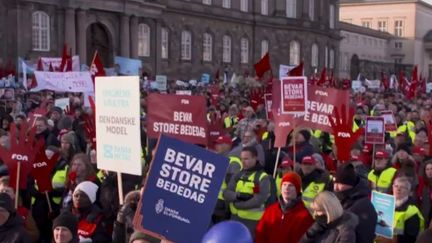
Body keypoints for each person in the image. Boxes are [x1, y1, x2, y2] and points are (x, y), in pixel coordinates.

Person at [223, 146, 271, 237]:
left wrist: (238, 205)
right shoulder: (238, 174)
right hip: (235, 218)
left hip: (252, 222)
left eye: (246, 159)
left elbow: (258, 200)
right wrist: (238, 195)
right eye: (241, 159)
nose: (243, 162)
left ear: (255, 158)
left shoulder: (262, 177)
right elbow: (226, 192)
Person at [255, 172, 314, 243]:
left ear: (297, 189)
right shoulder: (271, 210)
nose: (286, 188)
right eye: (284, 185)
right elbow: (260, 234)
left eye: (291, 185)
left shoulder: (304, 216)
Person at [334, 163, 377, 243]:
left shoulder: (363, 206)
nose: (336, 187)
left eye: (340, 183)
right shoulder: (340, 198)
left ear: (350, 184)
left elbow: (365, 237)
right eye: (335, 182)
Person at [213, 135, 242, 224]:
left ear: (228, 146)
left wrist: (227, 206)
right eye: (216, 144)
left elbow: (231, 186)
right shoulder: (218, 159)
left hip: (223, 204)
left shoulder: (233, 162)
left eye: (220, 144)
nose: (216, 146)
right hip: (214, 201)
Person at [390, 176, 424, 243]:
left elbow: (410, 239)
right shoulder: (387, 204)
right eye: (396, 186)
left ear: (409, 192)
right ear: (392, 187)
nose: (398, 189)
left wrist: (391, 240)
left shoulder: (412, 212)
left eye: (402, 187)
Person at [418, 160, 432, 226]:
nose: (430, 171)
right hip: (424, 213)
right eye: (427, 169)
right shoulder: (421, 183)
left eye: (431, 169)